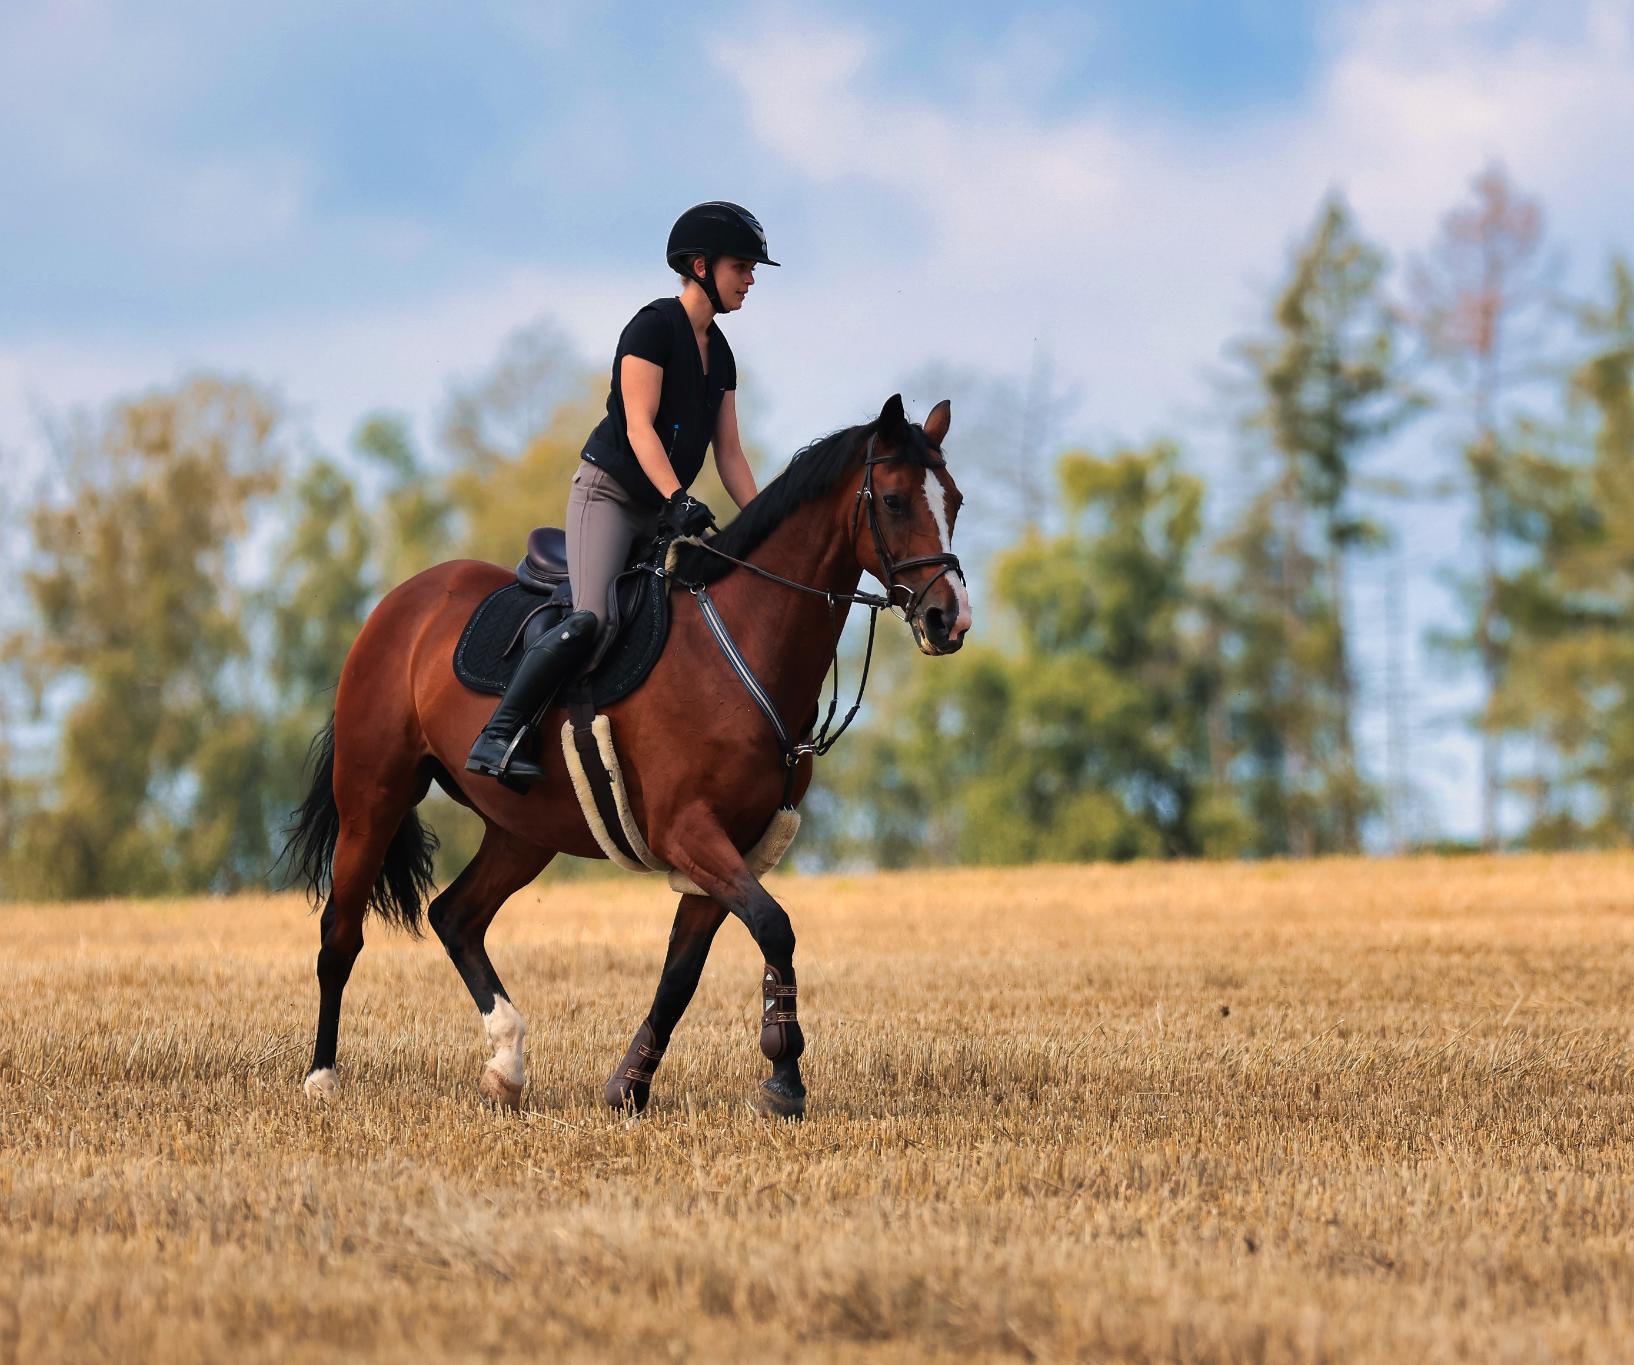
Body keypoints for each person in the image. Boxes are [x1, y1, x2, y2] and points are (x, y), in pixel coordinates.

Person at [466, 201, 777, 787]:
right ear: (702, 266)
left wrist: (766, 524)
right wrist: (678, 496)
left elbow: (730, 453)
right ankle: (500, 733)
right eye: (744, 266)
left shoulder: (724, 355)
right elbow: (639, 428)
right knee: (594, 619)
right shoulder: (651, 329)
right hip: (608, 497)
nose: (752, 278)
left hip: (660, 511)